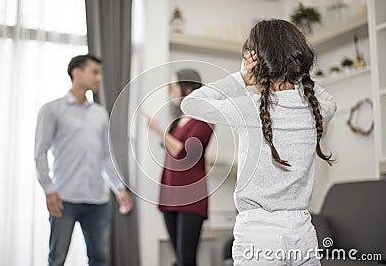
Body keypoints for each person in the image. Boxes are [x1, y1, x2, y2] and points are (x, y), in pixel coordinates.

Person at [181, 19, 337, 265]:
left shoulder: (249, 108)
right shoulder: (314, 108)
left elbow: (190, 103)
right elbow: (330, 101)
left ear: (258, 63)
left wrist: (241, 78)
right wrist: (298, 74)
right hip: (303, 231)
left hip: (258, 233)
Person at [34, 54, 133, 266]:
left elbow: (106, 156)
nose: (99, 78)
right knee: (57, 258)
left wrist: (119, 187)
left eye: (100, 73)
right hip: (64, 199)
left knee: (101, 259)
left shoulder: (100, 113)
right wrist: (48, 189)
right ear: (76, 73)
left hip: (98, 202)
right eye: (94, 72)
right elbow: (40, 152)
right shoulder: (52, 110)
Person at [146, 69, 214, 266]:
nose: (172, 91)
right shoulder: (180, 120)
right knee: (178, 256)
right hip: (170, 192)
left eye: (174, 86)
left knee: (186, 256)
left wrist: (158, 129)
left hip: (190, 195)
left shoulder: (203, 120)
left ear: (188, 88)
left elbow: (182, 152)